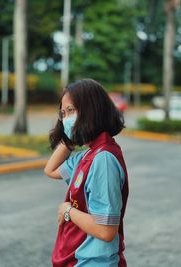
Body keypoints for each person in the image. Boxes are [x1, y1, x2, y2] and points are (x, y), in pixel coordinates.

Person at [44, 78, 129, 267]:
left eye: (71, 111)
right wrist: (69, 138)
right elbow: (50, 170)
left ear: (92, 109)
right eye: (63, 113)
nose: (66, 119)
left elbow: (106, 231)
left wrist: (68, 211)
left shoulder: (104, 159)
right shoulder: (88, 155)